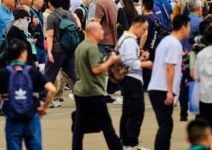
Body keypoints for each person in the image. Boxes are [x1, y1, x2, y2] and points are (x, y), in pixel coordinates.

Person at [0, 39, 54, 150]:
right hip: (32, 116)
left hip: (12, 118)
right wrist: (44, 107)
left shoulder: (2, 73)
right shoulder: (32, 71)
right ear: (23, 53)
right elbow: (52, 90)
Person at [72, 22, 122, 150]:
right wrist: (110, 61)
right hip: (93, 91)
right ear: (93, 32)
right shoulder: (92, 48)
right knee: (107, 125)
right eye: (100, 29)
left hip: (80, 91)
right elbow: (95, 69)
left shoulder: (81, 46)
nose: (103, 32)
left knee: (79, 126)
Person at [148, 14, 191, 150]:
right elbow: (169, 67)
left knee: (166, 125)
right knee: (165, 126)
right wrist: (169, 92)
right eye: (188, 26)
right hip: (162, 89)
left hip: (156, 87)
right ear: (183, 27)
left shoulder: (166, 41)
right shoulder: (174, 44)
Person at [117, 14, 153, 150]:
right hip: (132, 79)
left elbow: (128, 60)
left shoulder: (124, 39)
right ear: (137, 26)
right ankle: (132, 142)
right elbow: (130, 63)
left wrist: (141, 59)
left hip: (126, 79)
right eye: (143, 29)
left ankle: (125, 141)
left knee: (127, 111)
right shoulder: (130, 41)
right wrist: (147, 64)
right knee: (136, 111)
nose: (144, 33)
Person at [43, 0, 78, 89]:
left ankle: (44, 98)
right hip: (71, 48)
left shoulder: (51, 16)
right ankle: (84, 95)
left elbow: (50, 35)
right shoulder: (69, 14)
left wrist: (49, 52)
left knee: (49, 75)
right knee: (74, 74)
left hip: (57, 49)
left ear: (49, 3)